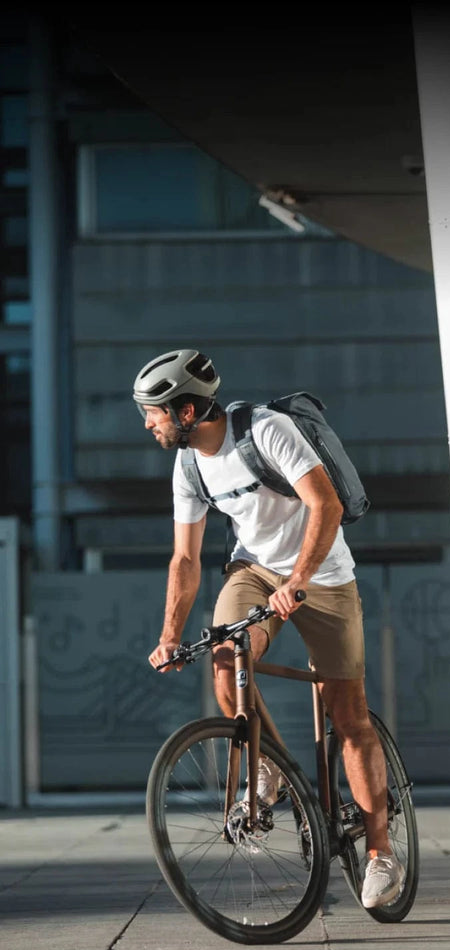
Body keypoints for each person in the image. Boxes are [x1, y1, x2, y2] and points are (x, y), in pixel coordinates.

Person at [133, 347, 404, 909]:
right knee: (227, 655)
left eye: (153, 411)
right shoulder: (188, 466)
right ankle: (268, 766)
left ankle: (380, 853)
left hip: (323, 572)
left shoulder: (266, 430)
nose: (147, 423)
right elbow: (185, 560)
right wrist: (168, 635)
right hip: (254, 571)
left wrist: (300, 579)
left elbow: (323, 505)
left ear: (185, 411)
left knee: (347, 714)